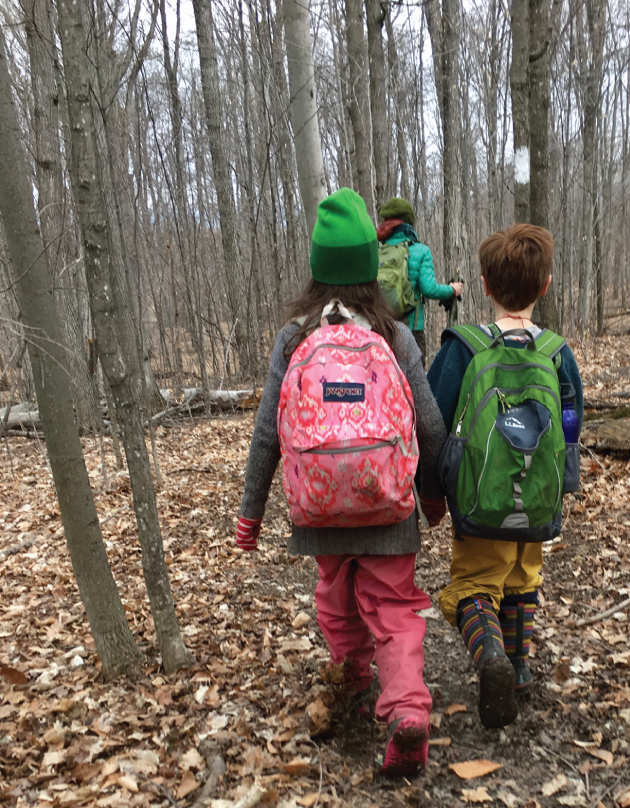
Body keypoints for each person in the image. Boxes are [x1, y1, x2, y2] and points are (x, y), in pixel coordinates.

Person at [235, 188, 447, 777]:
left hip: (321, 510)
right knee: (395, 605)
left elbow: (266, 435)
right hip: (388, 507)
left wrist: (250, 515)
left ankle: (352, 672)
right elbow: (428, 423)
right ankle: (406, 708)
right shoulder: (394, 335)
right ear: (368, 269)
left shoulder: (294, 338)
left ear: (317, 267)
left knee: (336, 593)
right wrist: (432, 496)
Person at [427, 223, 583, 729]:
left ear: (486, 286)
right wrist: (562, 484)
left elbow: (431, 418)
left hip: (479, 496)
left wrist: (430, 489)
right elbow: (571, 422)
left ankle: (490, 655)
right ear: (545, 286)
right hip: (535, 494)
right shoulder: (557, 353)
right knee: (522, 577)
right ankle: (516, 668)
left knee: (475, 584)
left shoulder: (463, 347)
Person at [376, 196, 463, 366]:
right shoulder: (420, 250)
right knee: (415, 384)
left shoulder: (376, 250)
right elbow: (429, 288)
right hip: (411, 328)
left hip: (380, 327)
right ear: (409, 222)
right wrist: (452, 290)